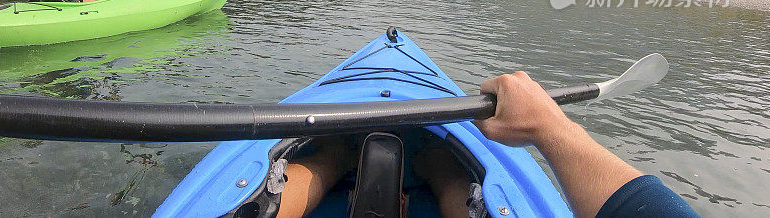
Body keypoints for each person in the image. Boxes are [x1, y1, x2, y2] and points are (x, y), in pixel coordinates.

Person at [277, 71, 698, 218]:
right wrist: (551, 127)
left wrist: (550, 128)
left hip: (337, 150)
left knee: (325, 159)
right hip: (438, 166)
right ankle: (438, 170)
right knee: (446, 171)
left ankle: (333, 158)